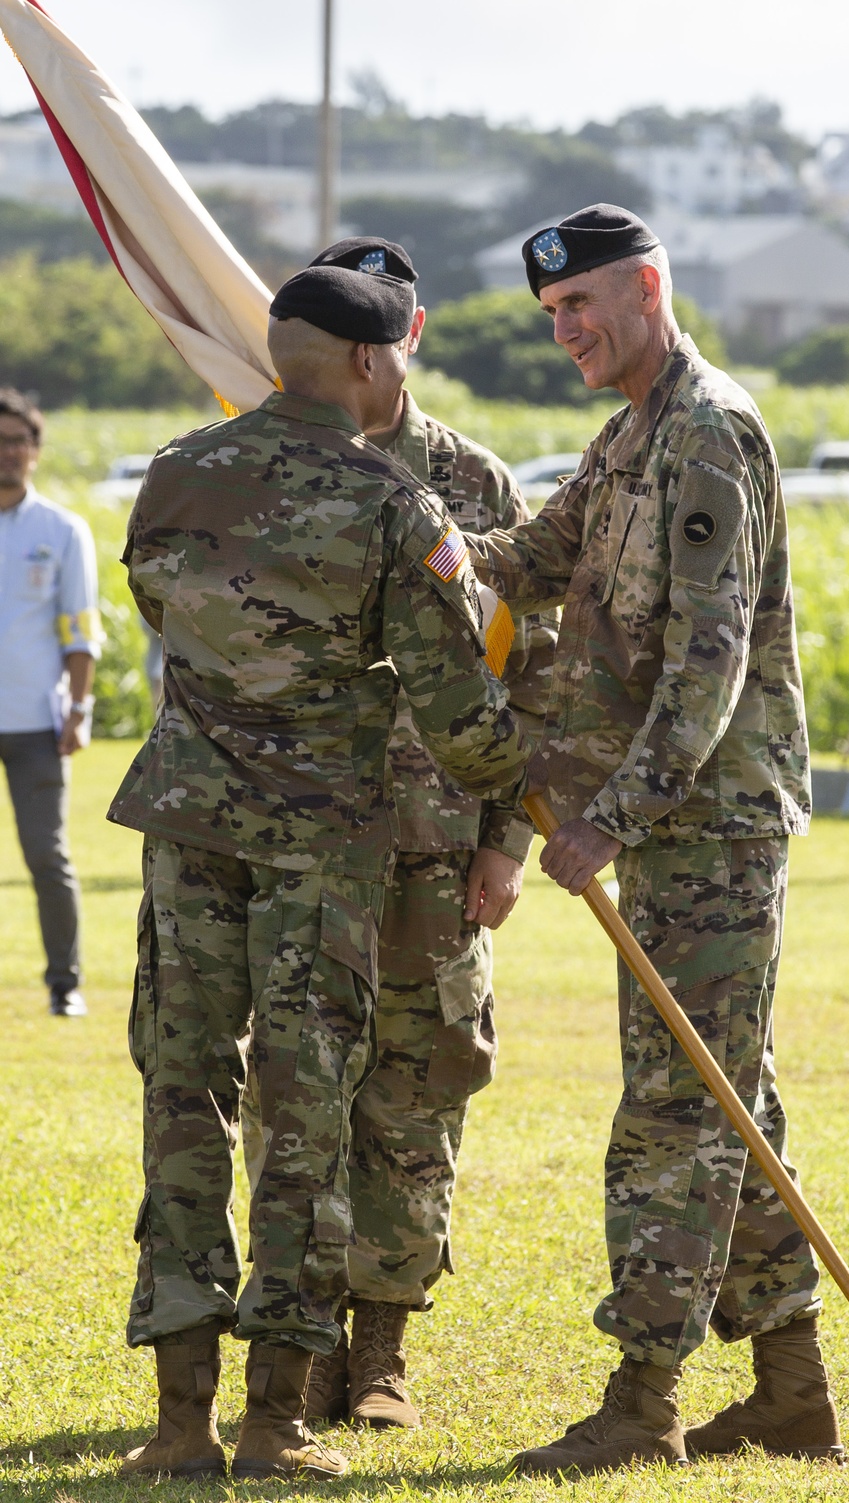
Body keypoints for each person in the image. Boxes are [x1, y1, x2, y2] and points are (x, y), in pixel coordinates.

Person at [107, 263, 531, 1483]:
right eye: (398, 352)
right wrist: (531, 778)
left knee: (184, 1100)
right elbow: (458, 708)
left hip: (190, 830)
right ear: (366, 362)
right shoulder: (391, 499)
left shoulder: (178, 468)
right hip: (320, 844)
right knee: (305, 1115)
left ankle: (179, 1418)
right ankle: (273, 1421)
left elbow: (160, 608)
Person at [465, 205, 840, 1474]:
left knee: (676, 1112)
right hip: (674, 825)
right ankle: (792, 1394)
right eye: (552, 314)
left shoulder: (706, 432)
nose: (567, 331)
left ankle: (642, 1404)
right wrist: (421, 548)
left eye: (582, 305)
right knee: (731, 1103)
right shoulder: (626, 438)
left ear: (647, 286)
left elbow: (709, 661)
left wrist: (606, 819)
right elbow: (526, 555)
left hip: (711, 825)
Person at [242, 237, 553, 1433]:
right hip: (297, 842)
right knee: (293, 1090)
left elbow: (530, 670)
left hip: (434, 843)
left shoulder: (473, 485)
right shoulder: (261, 467)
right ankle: (298, 1349)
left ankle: (378, 1356)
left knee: (420, 1093)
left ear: (404, 338)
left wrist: (504, 842)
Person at [0, 387, 101, 1019]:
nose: (7, 453)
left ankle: (64, 984)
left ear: (35, 450)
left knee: (47, 855)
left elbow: (80, 627)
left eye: (17, 441)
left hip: (37, 720)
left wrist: (80, 709)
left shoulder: (61, 530)